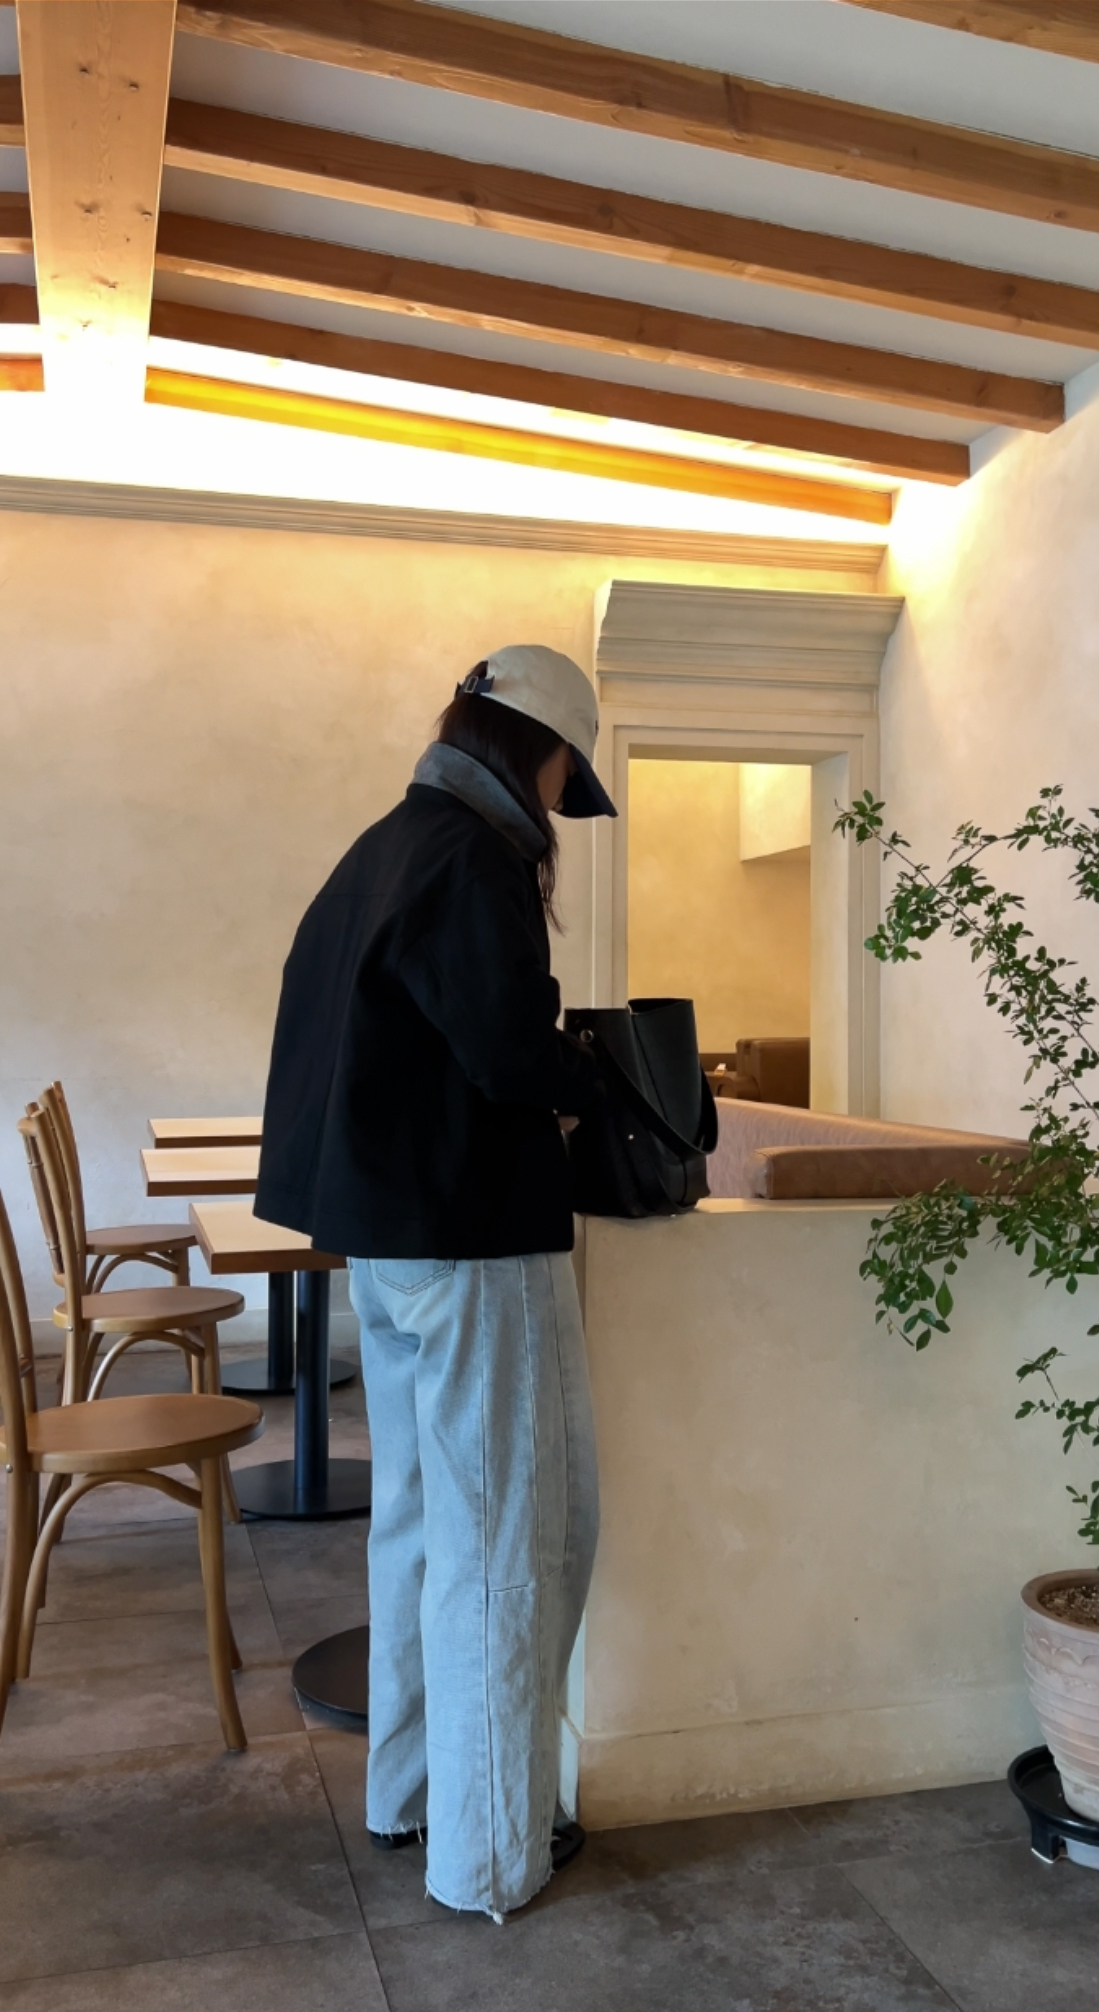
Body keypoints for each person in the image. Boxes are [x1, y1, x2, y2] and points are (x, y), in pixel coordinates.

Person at [255, 645, 616, 1922]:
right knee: (512, 1539)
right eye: (566, 770)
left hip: (390, 1239)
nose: (564, 795)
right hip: (473, 1240)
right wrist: (601, 1082)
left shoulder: (385, 847)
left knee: (418, 1522)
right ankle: (492, 1853)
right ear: (539, 747)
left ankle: (408, 1793)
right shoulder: (474, 856)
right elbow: (509, 1054)